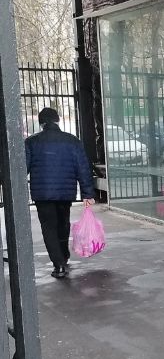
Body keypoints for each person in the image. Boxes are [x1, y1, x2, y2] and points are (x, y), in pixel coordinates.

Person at [25, 106, 95, 279]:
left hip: (42, 194)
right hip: (66, 193)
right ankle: (63, 256)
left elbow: (23, 169)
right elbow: (83, 168)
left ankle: (59, 265)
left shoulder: (31, 142)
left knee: (49, 228)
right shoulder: (72, 141)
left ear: (41, 123)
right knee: (63, 224)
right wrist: (87, 194)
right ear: (58, 120)